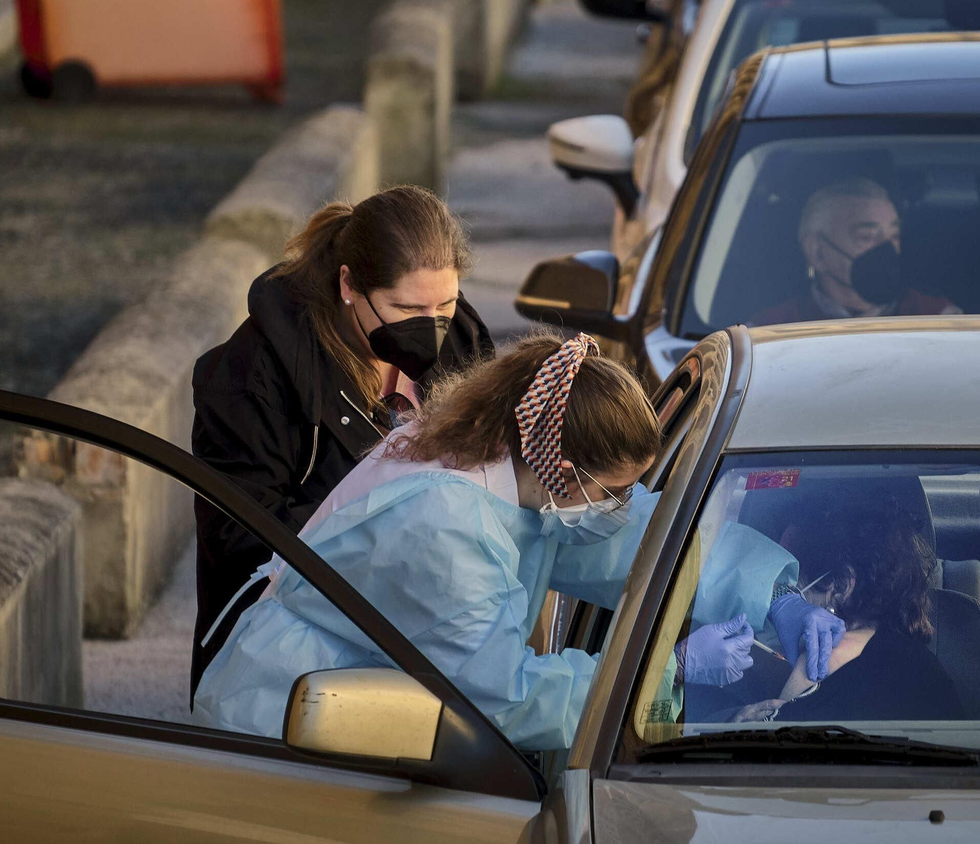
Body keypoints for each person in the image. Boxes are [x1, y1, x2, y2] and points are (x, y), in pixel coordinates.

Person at [192, 333, 844, 750]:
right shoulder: (447, 524)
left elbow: (645, 538)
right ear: (566, 469)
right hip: (288, 728)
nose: (622, 505)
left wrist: (775, 595)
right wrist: (664, 672)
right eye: (616, 489)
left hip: (349, 722)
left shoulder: (516, 472)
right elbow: (502, 699)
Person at [189, 186, 494, 694]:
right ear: (349, 284)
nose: (433, 328)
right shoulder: (253, 375)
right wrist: (393, 534)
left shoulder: (460, 335)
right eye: (406, 308)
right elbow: (240, 539)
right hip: (295, 650)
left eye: (446, 302)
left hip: (434, 627)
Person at [692, 495, 964, 724]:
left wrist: (732, 722)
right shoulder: (929, 669)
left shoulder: (822, 659)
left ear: (842, 584)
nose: (788, 587)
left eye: (794, 580)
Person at [752, 178, 959, 325]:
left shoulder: (938, 319)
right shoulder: (769, 332)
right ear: (817, 252)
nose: (888, 249)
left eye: (894, 236)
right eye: (867, 236)